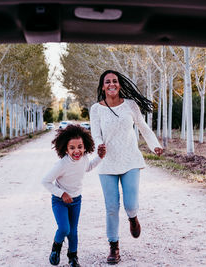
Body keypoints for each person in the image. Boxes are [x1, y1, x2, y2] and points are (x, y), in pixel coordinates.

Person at [90, 70, 163, 264]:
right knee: (111, 207)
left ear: (120, 84)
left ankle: (133, 218)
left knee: (130, 204)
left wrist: (154, 144)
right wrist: (99, 146)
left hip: (130, 159)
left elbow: (143, 127)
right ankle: (114, 247)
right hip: (107, 162)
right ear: (102, 86)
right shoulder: (96, 109)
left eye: (115, 81)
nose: (111, 84)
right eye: (107, 82)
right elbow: (96, 133)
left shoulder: (130, 105)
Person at [42, 124, 106, 267]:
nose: (77, 151)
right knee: (64, 228)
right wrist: (62, 193)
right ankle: (56, 248)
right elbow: (45, 181)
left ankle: (73, 258)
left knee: (73, 231)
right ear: (66, 149)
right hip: (60, 201)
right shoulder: (62, 164)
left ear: (85, 147)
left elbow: (88, 167)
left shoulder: (83, 159)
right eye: (72, 148)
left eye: (80, 147)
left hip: (76, 200)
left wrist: (100, 157)